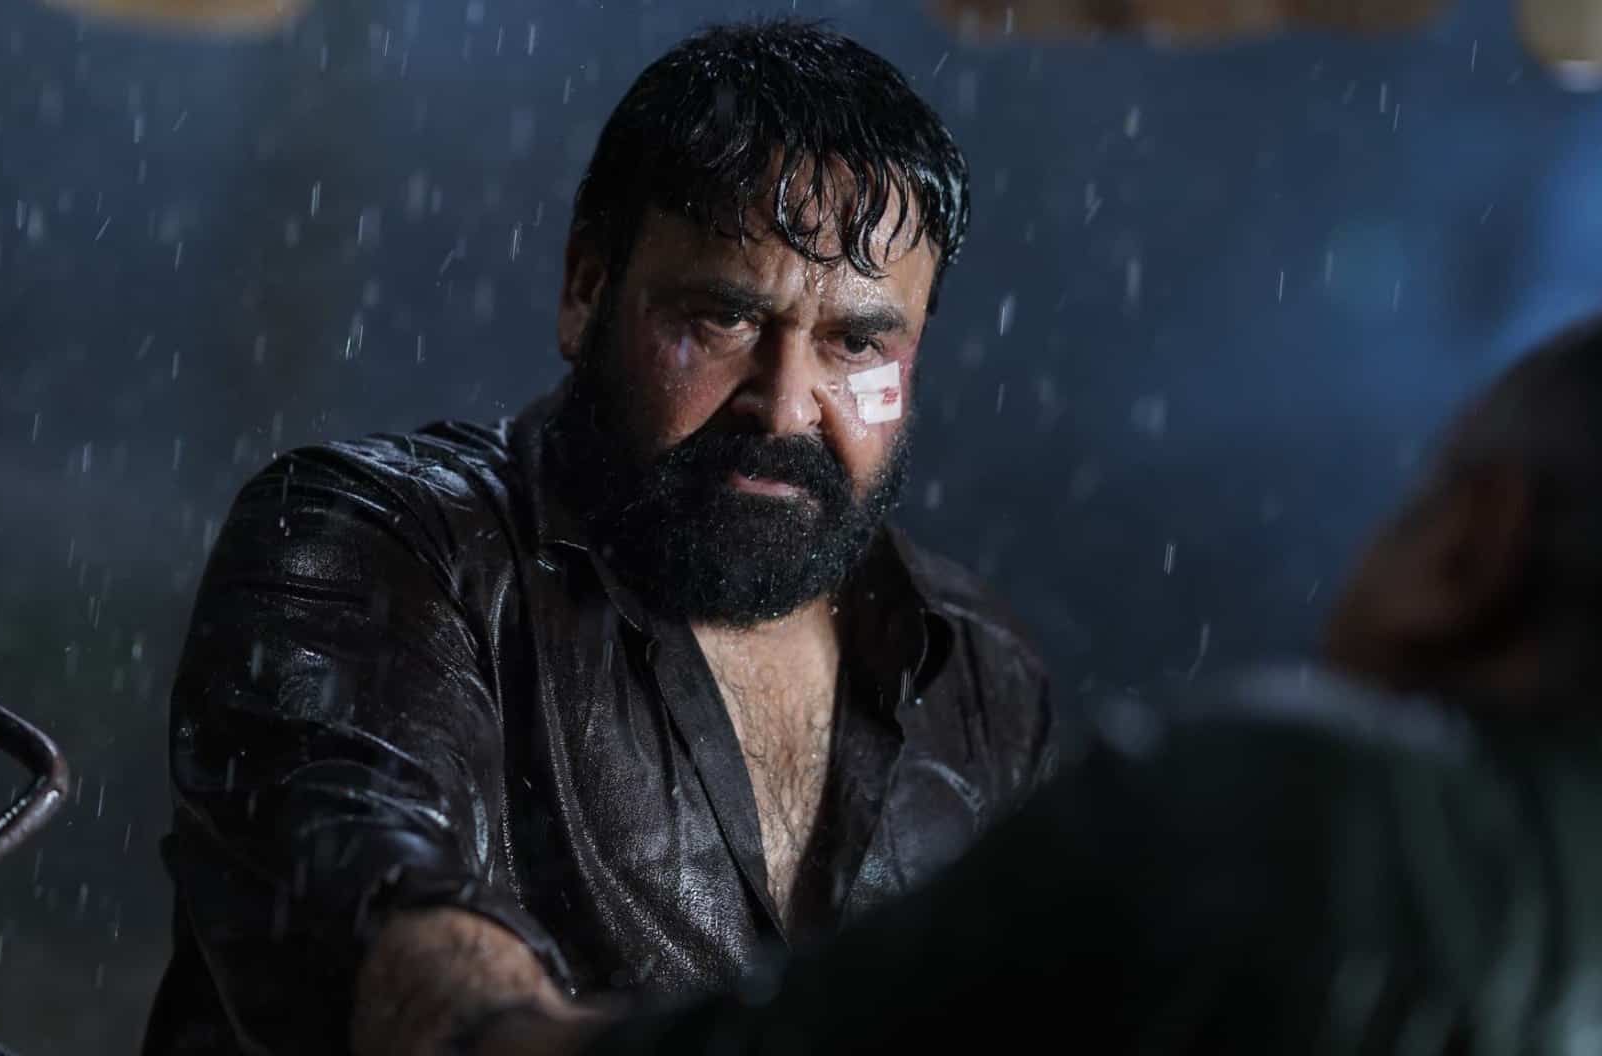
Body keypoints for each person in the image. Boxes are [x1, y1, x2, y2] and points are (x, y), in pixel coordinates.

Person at [139, 18, 1060, 1056]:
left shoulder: (979, 675)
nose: (785, 403)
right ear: (588, 290)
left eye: (856, 342)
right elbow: (361, 892)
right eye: (725, 319)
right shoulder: (374, 543)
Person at [571, 286, 1602, 1054]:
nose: (786, 399)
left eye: (1430, 491)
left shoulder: (1302, 829)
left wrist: (491, 1013)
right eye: (725, 315)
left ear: (1475, 546)